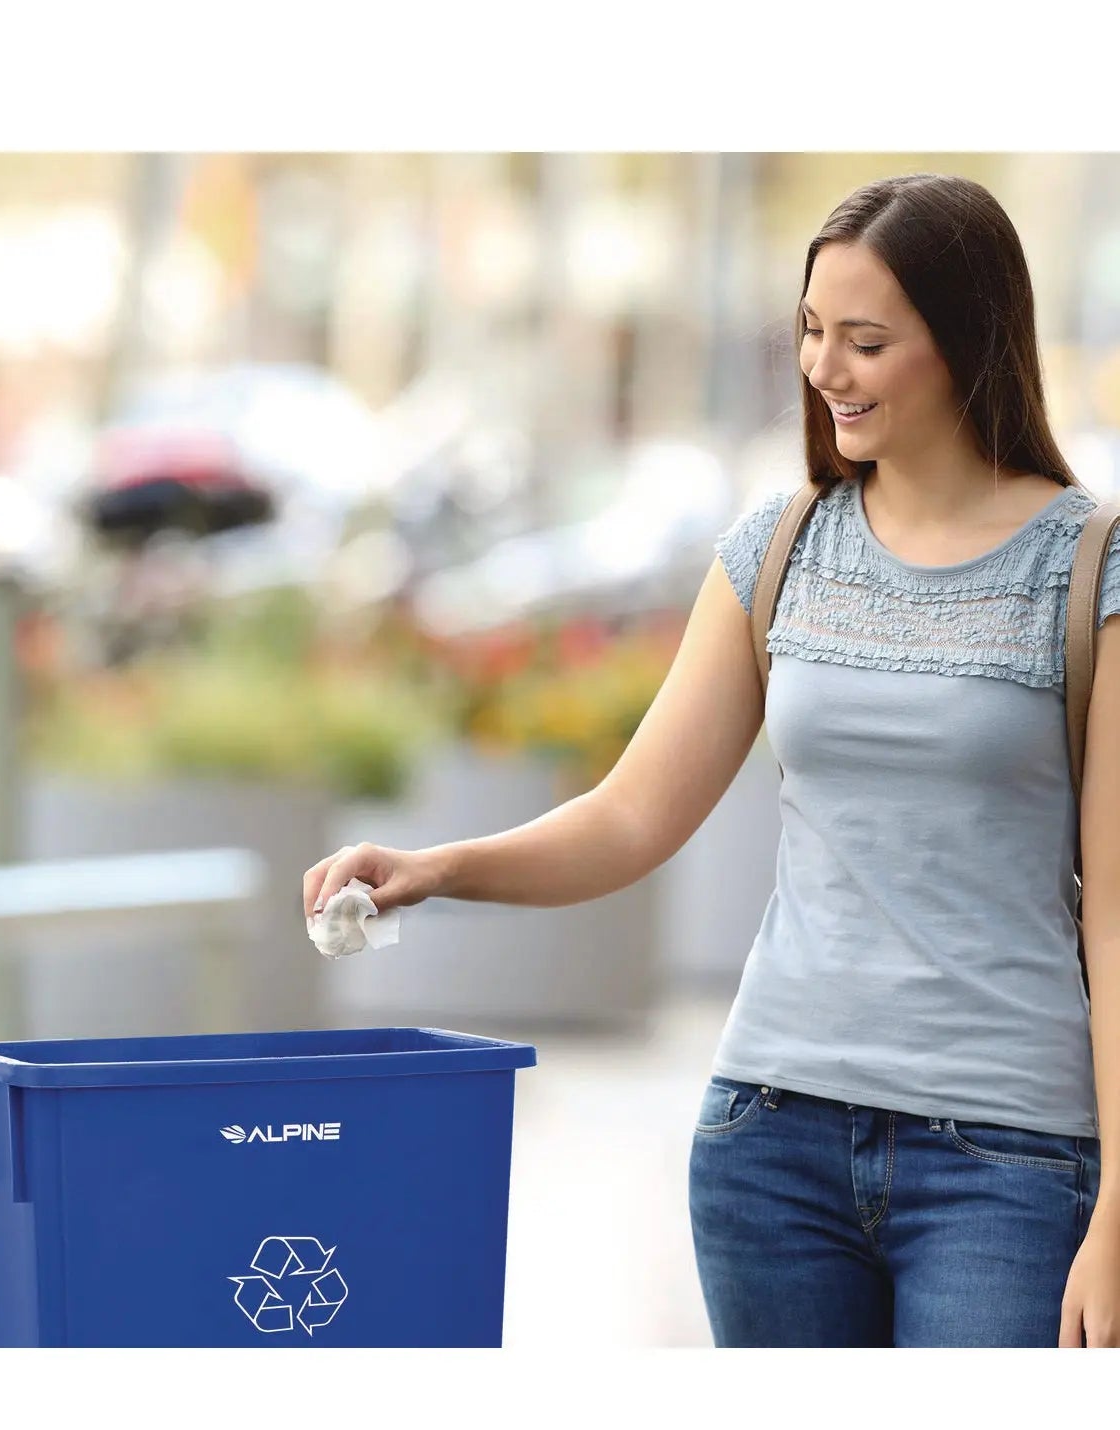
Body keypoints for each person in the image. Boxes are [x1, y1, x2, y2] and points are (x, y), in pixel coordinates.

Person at [302, 173, 1120, 1348]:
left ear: (969, 339)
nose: (823, 369)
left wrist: (1119, 1218)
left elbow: (1116, 916)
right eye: (810, 331)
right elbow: (633, 816)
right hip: (771, 1144)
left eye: (867, 340)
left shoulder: (1088, 568)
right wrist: (437, 868)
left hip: (1006, 1159)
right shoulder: (778, 550)